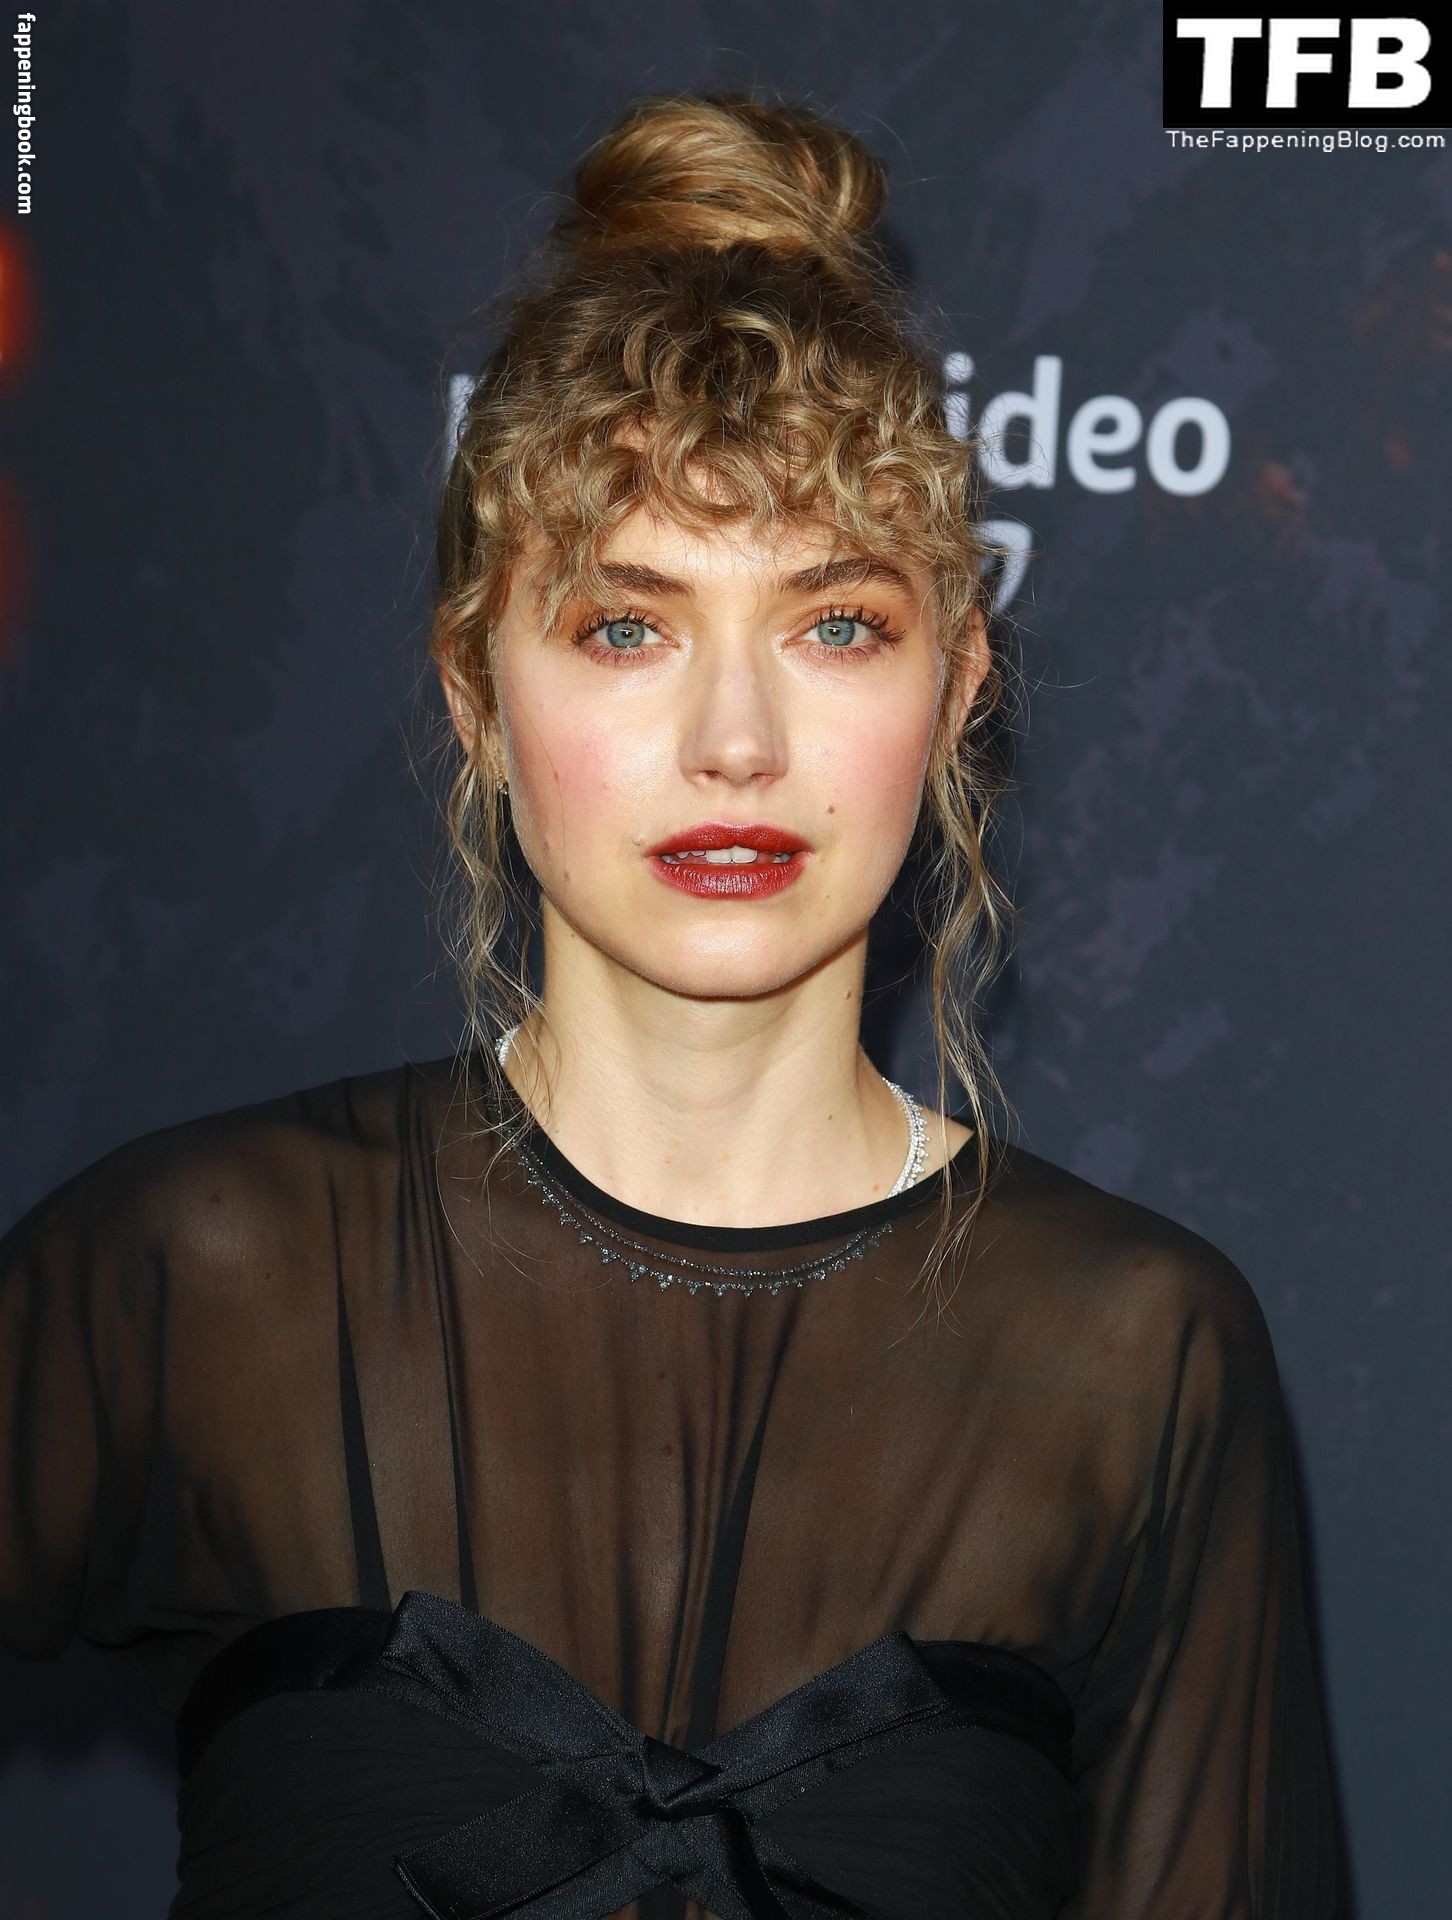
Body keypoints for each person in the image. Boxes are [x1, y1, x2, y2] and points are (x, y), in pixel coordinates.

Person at [0, 90, 1337, 1920]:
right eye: (627, 626)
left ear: (959, 688)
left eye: (836, 624)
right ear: (477, 694)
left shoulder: (1136, 1353)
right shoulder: (196, 1272)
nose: (735, 741)